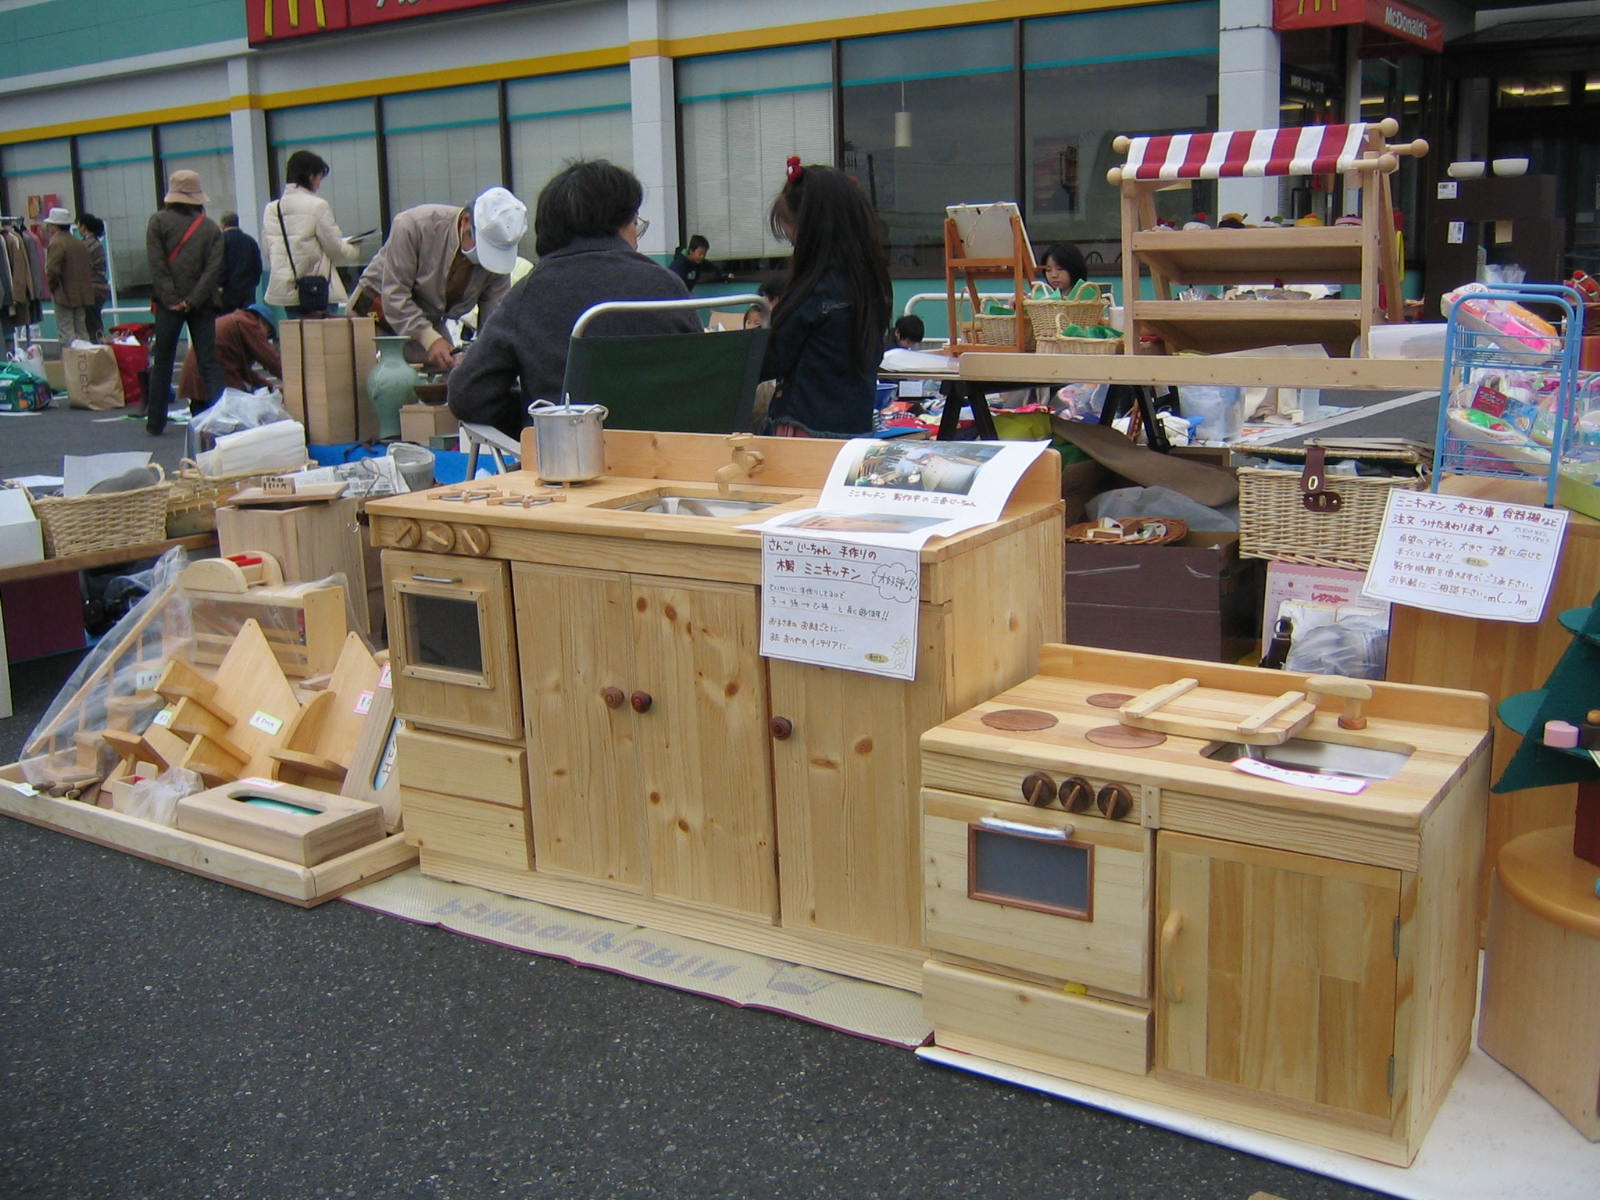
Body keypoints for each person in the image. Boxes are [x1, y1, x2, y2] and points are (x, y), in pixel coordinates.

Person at [448, 160, 700, 440]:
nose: (637, 239)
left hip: (567, 466)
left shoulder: (528, 295)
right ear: (617, 224)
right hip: (669, 466)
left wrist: (535, 419)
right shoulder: (666, 285)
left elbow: (468, 395)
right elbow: (703, 385)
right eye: (634, 224)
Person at [759, 158, 892, 438]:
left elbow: (772, 359)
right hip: (853, 430)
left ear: (812, 232)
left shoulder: (813, 291)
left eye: (793, 237)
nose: (794, 247)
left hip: (803, 429)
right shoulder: (873, 285)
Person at [354, 185, 527, 374]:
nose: (486, 259)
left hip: (428, 319)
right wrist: (430, 339)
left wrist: (483, 356)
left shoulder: (497, 264)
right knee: (369, 384)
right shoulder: (415, 225)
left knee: (449, 373)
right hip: (374, 313)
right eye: (484, 248)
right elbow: (394, 295)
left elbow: (495, 317)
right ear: (467, 221)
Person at [145, 169, 224, 435]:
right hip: (202, 305)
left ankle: (156, 422)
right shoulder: (210, 227)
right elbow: (213, 271)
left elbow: (157, 266)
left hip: (168, 305)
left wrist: (173, 299)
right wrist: (192, 300)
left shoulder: (157, 222)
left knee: (163, 361)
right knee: (209, 362)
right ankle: (219, 420)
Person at [262, 149, 362, 318]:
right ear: (310, 176)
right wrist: (354, 250)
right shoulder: (317, 206)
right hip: (318, 288)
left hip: (289, 290)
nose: (319, 183)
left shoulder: (272, 209)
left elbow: (269, 250)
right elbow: (334, 248)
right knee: (324, 340)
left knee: (299, 340)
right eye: (318, 177)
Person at [178, 302, 281, 408]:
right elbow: (270, 359)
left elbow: (245, 372)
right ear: (262, 322)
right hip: (211, 379)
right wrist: (294, 381)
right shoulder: (249, 324)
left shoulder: (235, 321)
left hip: (197, 380)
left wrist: (270, 388)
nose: (265, 337)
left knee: (204, 420)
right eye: (267, 333)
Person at [42, 206, 97, 346]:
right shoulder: (78, 243)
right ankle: (87, 362)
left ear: (54, 226)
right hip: (82, 295)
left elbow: (52, 270)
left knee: (67, 334)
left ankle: (73, 364)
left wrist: (53, 287)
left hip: (64, 295)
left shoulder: (56, 243)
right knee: (82, 331)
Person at [216, 211, 264, 314]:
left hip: (228, 293)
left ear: (223, 224)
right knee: (246, 320)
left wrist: (219, 285)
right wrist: (252, 283)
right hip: (248, 291)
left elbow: (221, 266)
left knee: (228, 322)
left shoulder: (221, 241)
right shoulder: (250, 241)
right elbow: (258, 266)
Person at [76, 212, 110, 341]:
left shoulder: (86, 245)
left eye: (79, 225)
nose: (78, 228)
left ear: (84, 227)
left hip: (91, 289)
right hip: (99, 289)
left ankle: (97, 349)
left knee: (92, 325)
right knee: (95, 322)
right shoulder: (96, 243)